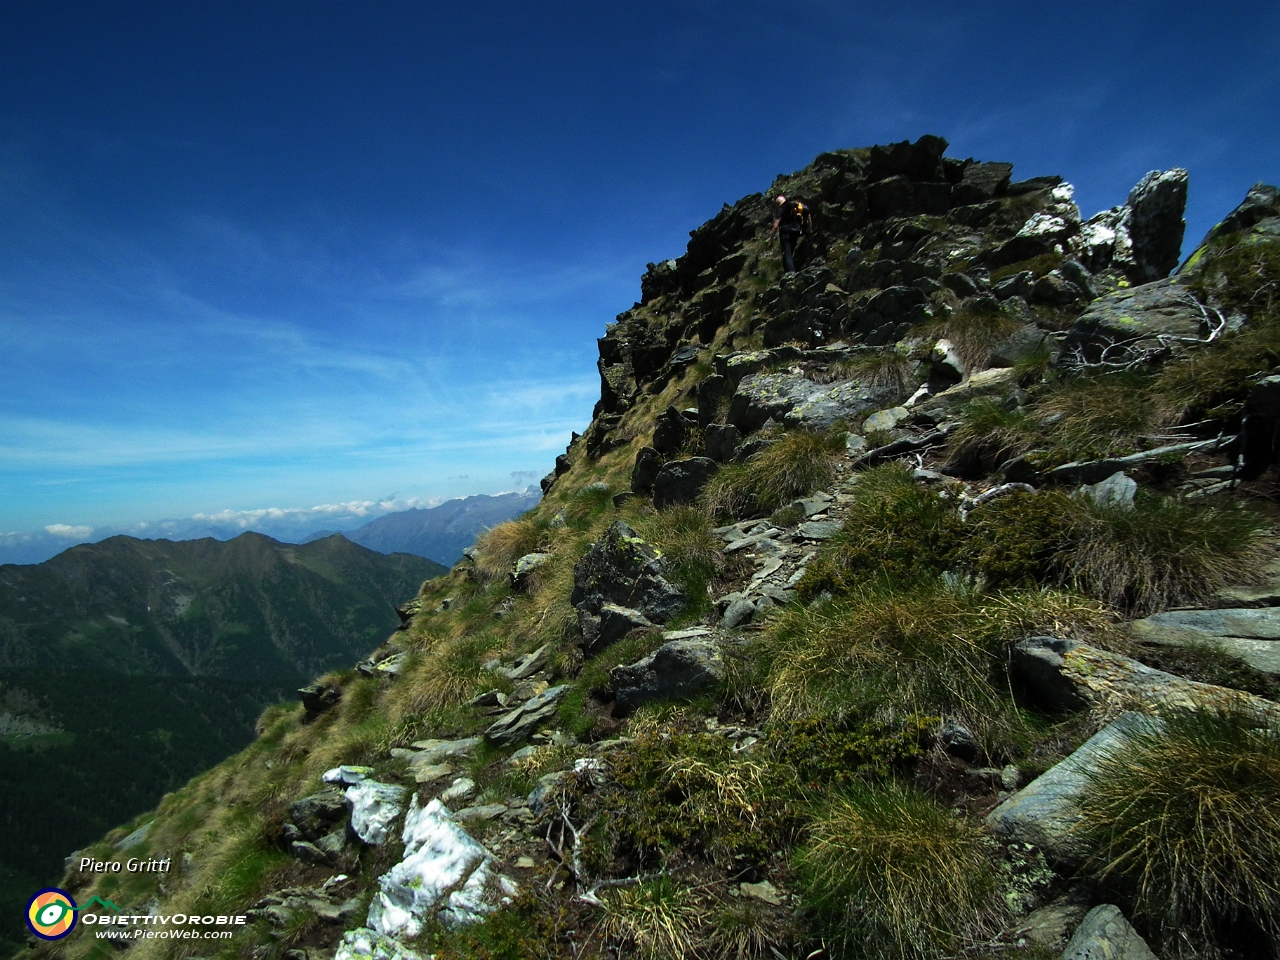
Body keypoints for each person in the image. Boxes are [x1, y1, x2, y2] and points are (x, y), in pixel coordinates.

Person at [771, 194, 813, 274]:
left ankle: (791, 275)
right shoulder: (794, 206)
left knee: (787, 255)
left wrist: (771, 241)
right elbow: (808, 215)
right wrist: (809, 229)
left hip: (785, 233)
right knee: (790, 254)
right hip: (795, 232)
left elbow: (775, 226)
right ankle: (792, 272)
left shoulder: (782, 208)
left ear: (777, 203)